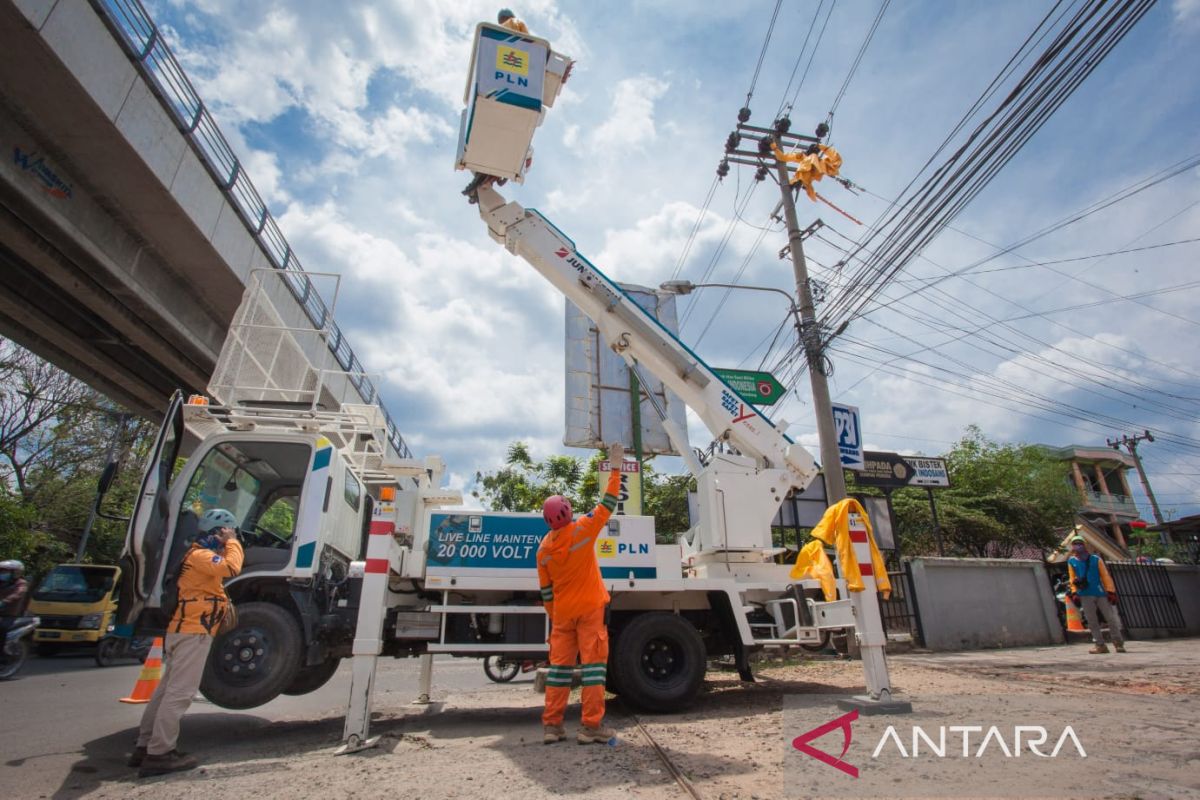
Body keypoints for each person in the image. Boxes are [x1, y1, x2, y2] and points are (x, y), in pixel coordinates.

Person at [131, 508, 244, 777]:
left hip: (185, 629)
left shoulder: (193, 556)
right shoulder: (201, 556)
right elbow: (232, 567)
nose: (229, 537)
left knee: (165, 692)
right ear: (217, 532)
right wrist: (234, 542)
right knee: (180, 694)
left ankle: (145, 746)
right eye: (226, 532)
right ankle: (160, 754)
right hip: (193, 632)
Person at [538, 442, 623, 745]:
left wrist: (556, 615)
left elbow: (546, 591)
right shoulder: (583, 531)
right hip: (589, 610)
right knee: (593, 669)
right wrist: (615, 468)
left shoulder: (544, 550)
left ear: (547, 520)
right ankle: (590, 728)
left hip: (562, 614)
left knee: (559, 671)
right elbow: (609, 502)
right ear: (568, 512)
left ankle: (552, 727)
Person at [1066, 535, 1126, 654]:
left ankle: (1118, 643)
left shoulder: (1095, 559)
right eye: (1075, 544)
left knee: (1110, 618)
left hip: (1100, 592)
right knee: (1092, 620)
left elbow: (1105, 576)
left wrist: (1110, 591)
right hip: (1084, 593)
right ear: (1072, 546)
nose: (1078, 546)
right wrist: (1074, 592)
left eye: (1080, 543)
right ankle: (1100, 645)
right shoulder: (1072, 561)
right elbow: (1072, 578)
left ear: (1085, 545)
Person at [0, 560, 30, 629]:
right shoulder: (1, 583)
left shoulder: (21, 583)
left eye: (5, 572)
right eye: (1, 571)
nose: (2, 573)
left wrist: (4, 601)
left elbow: (18, 593)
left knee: (2, 628)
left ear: (15, 572)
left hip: (10, 614)